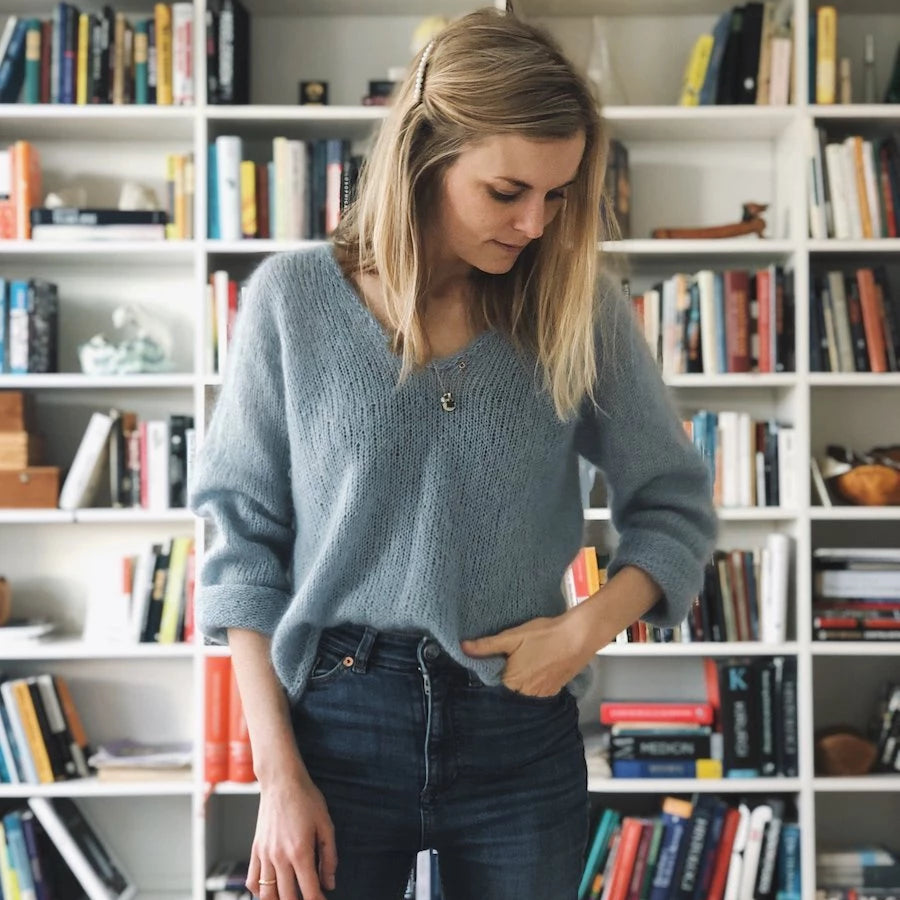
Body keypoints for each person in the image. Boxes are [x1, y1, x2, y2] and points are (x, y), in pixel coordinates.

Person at [189, 7, 718, 900]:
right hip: (337, 726)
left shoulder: (570, 308)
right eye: (507, 192)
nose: (536, 224)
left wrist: (585, 629)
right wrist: (277, 778)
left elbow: (675, 504)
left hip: (519, 724)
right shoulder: (291, 302)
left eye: (557, 196)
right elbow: (243, 549)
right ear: (428, 157)